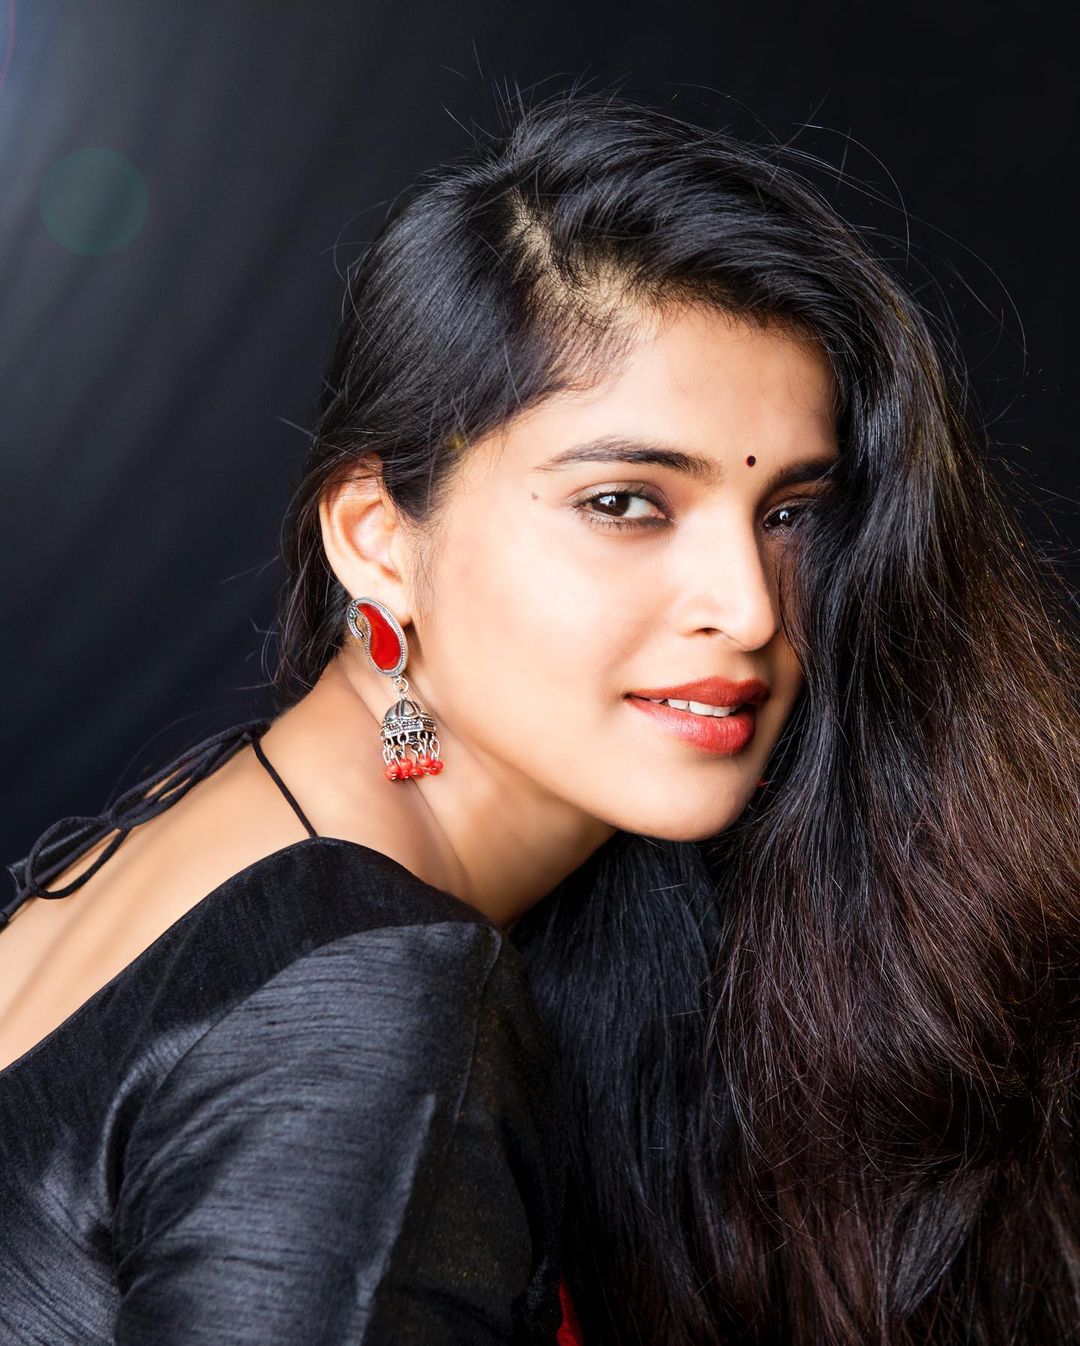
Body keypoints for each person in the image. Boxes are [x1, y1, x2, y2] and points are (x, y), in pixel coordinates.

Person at [2, 83, 1077, 1346]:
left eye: (791, 513)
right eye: (626, 502)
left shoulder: (211, 828)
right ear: (376, 538)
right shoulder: (377, 1001)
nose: (747, 607)